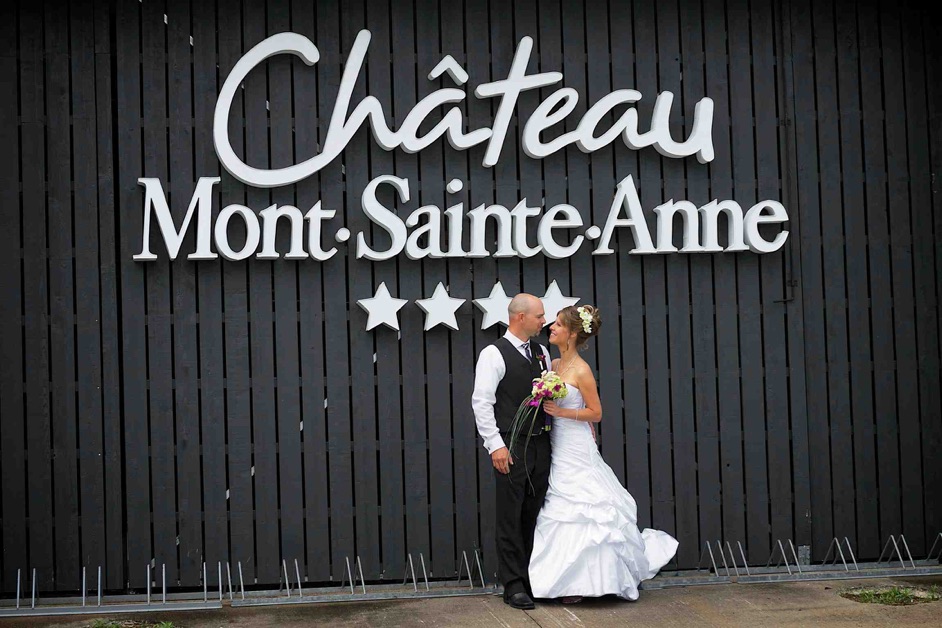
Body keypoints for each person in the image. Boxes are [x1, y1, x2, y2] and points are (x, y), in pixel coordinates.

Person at [528, 305, 678, 603]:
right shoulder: (555, 365)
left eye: (558, 325)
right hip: (556, 444)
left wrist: (562, 411)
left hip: (576, 445)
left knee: (585, 505)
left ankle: (591, 581)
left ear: (571, 333)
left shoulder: (582, 370)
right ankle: (563, 580)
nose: (552, 328)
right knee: (558, 505)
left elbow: (596, 413)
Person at [471, 293, 552, 610]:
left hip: (541, 443)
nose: (543, 322)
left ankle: (533, 578)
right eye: (540, 316)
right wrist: (496, 445)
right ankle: (513, 585)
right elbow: (482, 402)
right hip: (511, 443)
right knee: (510, 515)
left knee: (534, 513)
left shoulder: (542, 352)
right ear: (520, 317)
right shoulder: (494, 353)